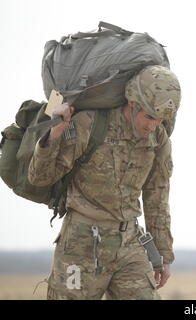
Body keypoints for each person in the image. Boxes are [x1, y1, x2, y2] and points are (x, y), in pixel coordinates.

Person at [28, 65, 181, 300]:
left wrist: (163, 255)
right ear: (132, 104)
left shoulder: (158, 139)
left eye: (160, 119)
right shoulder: (90, 124)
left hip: (129, 243)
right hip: (80, 245)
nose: (153, 125)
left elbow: (157, 198)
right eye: (149, 116)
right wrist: (55, 133)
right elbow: (39, 177)